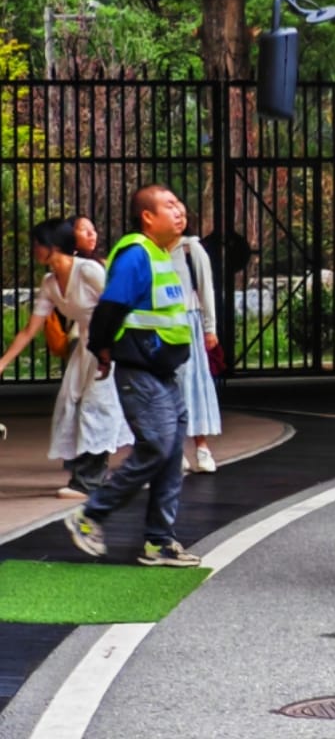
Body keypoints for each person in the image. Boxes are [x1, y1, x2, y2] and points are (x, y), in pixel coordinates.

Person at [64, 184, 200, 568]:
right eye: (169, 205)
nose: (180, 210)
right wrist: (102, 348)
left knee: (171, 455)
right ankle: (90, 515)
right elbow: (111, 306)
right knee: (156, 446)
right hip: (140, 372)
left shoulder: (161, 254)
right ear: (147, 216)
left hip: (163, 373)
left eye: (179, 203)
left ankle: (159, 541)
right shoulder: (136, 254)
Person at [0, 219, 130, 498]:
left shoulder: (88, 270)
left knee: (97, 407)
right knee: (71, 403)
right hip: (85, 345)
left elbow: (117, 305)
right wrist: (3, 362)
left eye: (38, 244)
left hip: (107, 344)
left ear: (54, 246)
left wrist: (108, 347)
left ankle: (89, 480)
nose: (34, 250)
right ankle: (87, 474)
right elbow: (29, 329)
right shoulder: (49, 283)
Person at [171, 215, 221, 474]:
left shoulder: (191, 248)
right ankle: (176, 450)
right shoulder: (149, 250)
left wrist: (209, 328)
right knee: (170, 387)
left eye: (180, 213)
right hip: (163, 324)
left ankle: (202, 447)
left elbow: (206, 289)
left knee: (193, 386)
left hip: (189, 323)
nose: (177, 218)